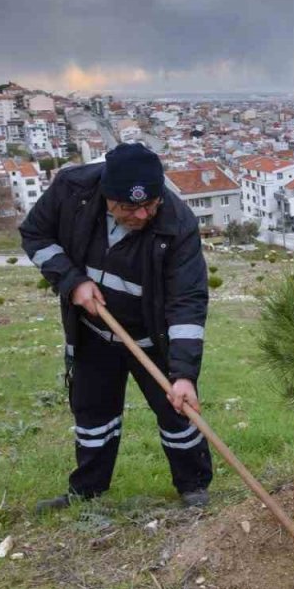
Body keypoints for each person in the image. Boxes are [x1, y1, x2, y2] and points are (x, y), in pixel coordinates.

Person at [20, 143, 213, 512]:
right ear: (106, 195)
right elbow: (35, 234)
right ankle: (87, 490)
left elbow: (187, 301)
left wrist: (184, 374)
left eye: (149, 205)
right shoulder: (72, 190)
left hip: (152, 337)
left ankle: (193, 488)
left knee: (178, 413)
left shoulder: (179, 224)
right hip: (93, 332)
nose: (141, 214)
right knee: (93, 414)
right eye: (128, 207)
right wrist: (72, 281)